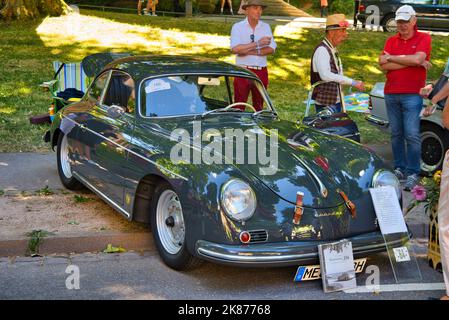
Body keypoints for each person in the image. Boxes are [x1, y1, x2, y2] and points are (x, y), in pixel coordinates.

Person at [378, 5, 432, 191]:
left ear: (414, 20)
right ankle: (399, 168)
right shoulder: (391, 40)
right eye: (399, 21)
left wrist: (393, 58)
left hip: (412, 95)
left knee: (411, 134)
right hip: (391, 92)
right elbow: (383, 66)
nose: (402, 25)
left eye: (406, 21)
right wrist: (412, 61)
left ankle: (413, 172)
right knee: (396, 134)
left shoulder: (424, 38)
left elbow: (418, 60)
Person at [310, 14, 365, 114]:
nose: (345, 34)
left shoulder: (331, 48)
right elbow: (325, 75)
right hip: (326, 103)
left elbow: (337, 73)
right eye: (342, 30)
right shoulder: (322, 50)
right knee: (329, 129)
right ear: (331, 32)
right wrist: (352, 82)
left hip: (334, 100)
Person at [230, 0, 276, 111]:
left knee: (259, 106)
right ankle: (238, 126)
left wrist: (249, 50)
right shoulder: (237, 27)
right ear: (247, 10)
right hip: (243, 71)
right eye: (255, 8)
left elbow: (272, 49)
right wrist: (258, 44)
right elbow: (235, 49)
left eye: (260, 8)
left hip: (261, 71)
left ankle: (258, 127)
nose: (259, 11)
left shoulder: (265, 27)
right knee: (239, 106)